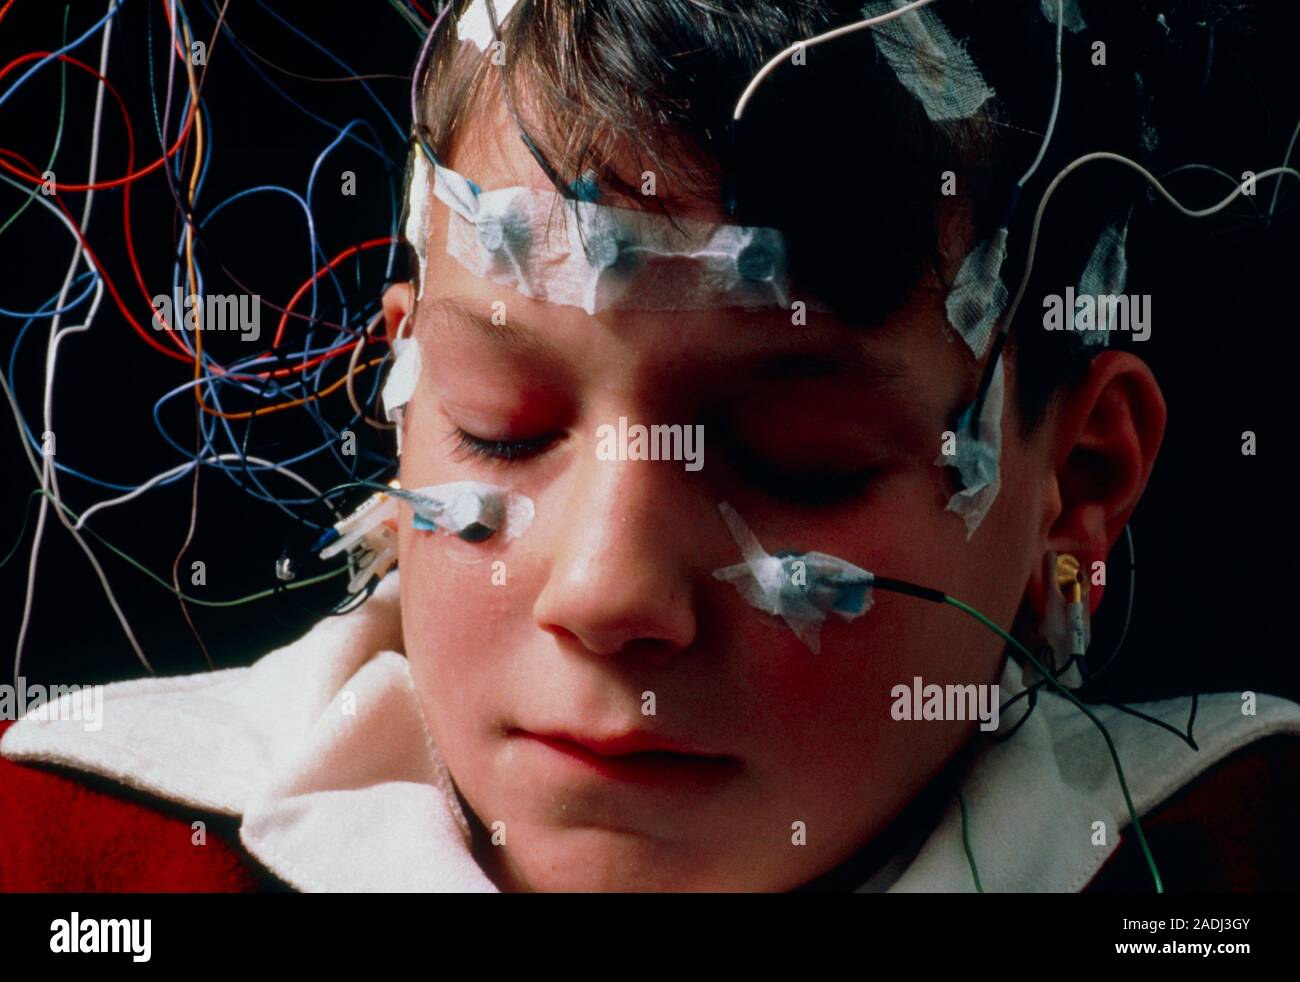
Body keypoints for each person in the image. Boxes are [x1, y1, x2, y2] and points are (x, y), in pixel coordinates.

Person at [3, 0, 1297, 892]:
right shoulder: (68, 849)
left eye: (800, 454)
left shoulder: (1232, 858)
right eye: (498, 424)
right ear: (402, 393)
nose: (607, 589)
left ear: (1079, 479)